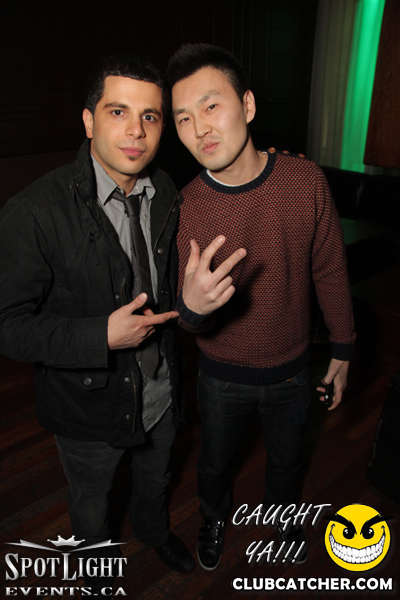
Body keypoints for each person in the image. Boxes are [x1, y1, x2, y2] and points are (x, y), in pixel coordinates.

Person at [0, 52, 245, 592]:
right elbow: (7, 325)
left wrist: (274, 168)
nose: (136, 131)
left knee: (156, 479)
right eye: (118, 112)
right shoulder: (34, 212)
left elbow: (229, 194)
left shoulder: (168, 193)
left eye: (150, 116)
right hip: (87, 405)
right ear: (88, 121)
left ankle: (154, 532)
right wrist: (98, 336)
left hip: (161, 389)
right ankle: (94, 570)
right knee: (91, 503)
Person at [167, 43, 356, 570]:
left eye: (211, 106)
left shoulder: (305, 181)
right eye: (183, 118)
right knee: (213, 463)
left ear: (247, 105)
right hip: (221, 375)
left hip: (294, 369)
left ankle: (280, 524)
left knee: (287, 463)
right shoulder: (184, 207)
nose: (200, 128)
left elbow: (329, 270)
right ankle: (212, 516)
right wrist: (191, 308)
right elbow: (182, 317)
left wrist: (343, 348)